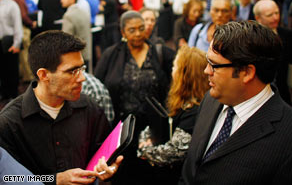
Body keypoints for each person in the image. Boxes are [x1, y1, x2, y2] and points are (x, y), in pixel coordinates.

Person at [0, 30, 122, 184]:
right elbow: (8, 178)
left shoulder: (88, 108)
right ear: (44, 75)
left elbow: (101, 153)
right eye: (72, 71)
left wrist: (104, 167)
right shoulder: (9, 123)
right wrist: (55, 180)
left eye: (82, 69)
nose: (82, 78)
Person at [179, 21, 292, 185]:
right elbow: (191, 171)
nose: (206, 71)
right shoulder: (210, 100)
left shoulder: (287, 136)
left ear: (247, 72)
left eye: (214, 65)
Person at [94, 11, 175, 185]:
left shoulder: (161, 53)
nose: (138, 33)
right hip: (123, 130)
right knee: (124, 173)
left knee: (152, 174)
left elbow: (175, 85)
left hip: (154, 129)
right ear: (123, 32)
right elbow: (98, 84)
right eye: (132, 30)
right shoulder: (111, 55)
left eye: (141, 28)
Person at [137, 45, 209, 185]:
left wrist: (144, 149)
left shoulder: (194, 111)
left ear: (186, 75)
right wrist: (147, 136)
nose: (172, 70)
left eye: (175, 67)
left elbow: (173, 152)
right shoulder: (181, 100)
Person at [254, 0, 292, 105]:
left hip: (283, 96)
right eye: (270, 15)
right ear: (258, 18)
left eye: (277, 13)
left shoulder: (287, 35)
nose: (275, 18)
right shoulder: (250, 39)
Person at [0, 0, 22, 101]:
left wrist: (17, 44)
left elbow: (17, 26)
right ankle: (3, 92)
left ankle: (13, 94)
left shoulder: (12, 5)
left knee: (11, 70)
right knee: (2, 69)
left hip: (9, 41)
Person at [61, 0, 92, 71]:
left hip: (75, 57)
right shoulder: (84, 12)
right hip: (86, 53)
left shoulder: (68, 15)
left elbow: (66, 39)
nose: (61, 0)